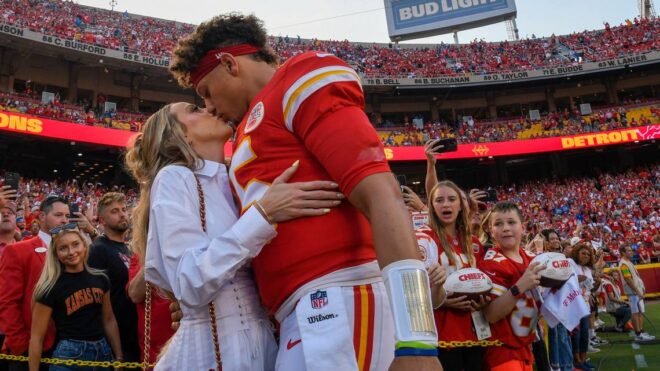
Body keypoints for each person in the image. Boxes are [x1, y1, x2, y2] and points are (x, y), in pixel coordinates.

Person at [169, 13, 440, 370]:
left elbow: (382, 193)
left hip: (340, 296)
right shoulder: (244, 131)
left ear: (229, 63)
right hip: (301, 311)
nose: (208, 107)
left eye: (205, 91)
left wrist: (417, 341)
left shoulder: (300, 77)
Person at [125, 103, 342, 370]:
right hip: (210, 352)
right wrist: (264, 214)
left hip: (263, 344)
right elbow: (190, 282)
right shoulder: (174, 177)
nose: (209, 108)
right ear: (180, 136)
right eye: (194, 109)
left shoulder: (234, 183)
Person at [28, 225, 123, 371]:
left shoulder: (101, 278)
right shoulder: (51, 287)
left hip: (103, 352)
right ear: (56, 253)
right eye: (63, 248)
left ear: (85, 246)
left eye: (75, 244)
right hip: (69, 355)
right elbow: (37, 338)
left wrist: (119, 357)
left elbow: (109, 320)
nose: (71, 252)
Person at [416, 181, 488, 371]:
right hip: (442, 331)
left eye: (451, 199)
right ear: (432, 207)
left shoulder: (473, 243)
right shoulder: (424, 238)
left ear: (461, 205)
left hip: (475, 329)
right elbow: (413, 290)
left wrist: (482, 299)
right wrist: (443, 300)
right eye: (439, 200)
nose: (445, 204)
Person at [0, 195, 70, 370]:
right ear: (42, 216)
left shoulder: (76, 253)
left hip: (68, 346)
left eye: (67, 216)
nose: (64, 220)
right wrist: (21, 344)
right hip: (32, 347)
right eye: (59, 215)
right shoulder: (18, 250)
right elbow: (7, 301)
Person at [478, 202, 545, 371]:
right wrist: (518, 287)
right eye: (498, 224)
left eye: (511, 222)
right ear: (491, 231)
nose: (505, 228)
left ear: (522, 227)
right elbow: (491, 314)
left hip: (525, 346)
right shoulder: (490, 263)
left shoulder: (531, 258)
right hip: (502, 349)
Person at [87, 192, 140, 362]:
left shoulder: (130, 249)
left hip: (135, 336)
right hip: (115, 341)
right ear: (102, 220)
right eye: (115, 211)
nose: (122, 214)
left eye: (124, 209)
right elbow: (96, 302)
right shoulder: (98, 250)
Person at [126, 253, 174, 365]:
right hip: (154, 352)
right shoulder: (139, 257)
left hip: (185, 341)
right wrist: (154, 255)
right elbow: (135, 294)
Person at [568, 243, 596, 370]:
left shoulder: (588, 269)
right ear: (576, 253)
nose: (586, 256)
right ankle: (577, 360)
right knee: (576, 333)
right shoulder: (570, 263)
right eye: (583, 253)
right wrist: (577, 278)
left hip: (585, 305)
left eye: (588, 254)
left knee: (584, 333)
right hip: (573, 304)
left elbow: (590, 288)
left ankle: (583, 359)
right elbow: (568, 279)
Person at [618, 245, 655, 341]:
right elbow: (628, 279)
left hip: (636, 291)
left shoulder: (628, 262)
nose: (631, 252)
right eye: (628, 250)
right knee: (635, 312)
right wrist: (637, 291)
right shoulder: (623, 264)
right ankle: (638, 334)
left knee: (640, 312)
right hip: (633, 292)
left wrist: (640, 289)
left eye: (631, 250)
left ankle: (641, 331)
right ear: (623, 252)